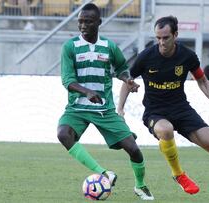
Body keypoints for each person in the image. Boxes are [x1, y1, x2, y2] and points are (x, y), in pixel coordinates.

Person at [118, 16, 209, 201]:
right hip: (155, 111)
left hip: (181, 109)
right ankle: (178, 174)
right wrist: (120, 109)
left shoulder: (187, 56)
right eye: (158, 38)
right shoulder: (146, 56)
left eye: (165, 37)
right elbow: (128, 81)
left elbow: (202, 81)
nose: (161, 42)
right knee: (165, 130)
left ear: (176, 35)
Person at [57, 3, 154, 200]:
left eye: (88, 22)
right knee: (63, 134)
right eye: (81, 22)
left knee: (133, 149)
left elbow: (121, 67)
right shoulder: (70, 47)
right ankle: (104, 174)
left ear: (99, 22)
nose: (83, 25)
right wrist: (86, 92)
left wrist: (127, 79)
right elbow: (67, 80)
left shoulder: (109, 46)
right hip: (77, 107)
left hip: (104, 109)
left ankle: (140, 186)